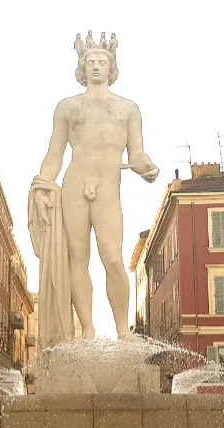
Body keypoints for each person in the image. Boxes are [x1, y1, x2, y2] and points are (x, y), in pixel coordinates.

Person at [28, 33, 159, 345]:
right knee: (77, 257)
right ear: (81, 67)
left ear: (111, 67)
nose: (96, 66)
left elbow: (136, 153)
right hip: (75, 183)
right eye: (90, 61)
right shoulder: (67, 107)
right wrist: (44, 184)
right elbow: (54, 155)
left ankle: (123, 331)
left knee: (113, 257)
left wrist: (145, 166)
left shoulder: (129, 109)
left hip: (108, 189)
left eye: (102, 61)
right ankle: (86, 331)